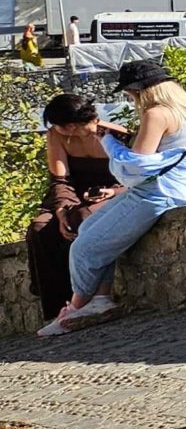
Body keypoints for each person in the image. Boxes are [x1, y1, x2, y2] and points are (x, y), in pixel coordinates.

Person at [41, 60, 186, 336]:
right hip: (174, 189)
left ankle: (75, 308)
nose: (129, 99)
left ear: (140, 91)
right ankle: (100, 299)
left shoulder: (157, 113)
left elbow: (135, 166)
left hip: (158, 193)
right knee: (87, 228)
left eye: (130, 94)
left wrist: (107, 141)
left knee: (83, 248)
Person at [26, 95, 124, 325]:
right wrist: (61, 208)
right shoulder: (56, 136)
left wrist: (113, 192)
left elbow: (133, 173)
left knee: (81, 220)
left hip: (112, 192)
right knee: (40, 227)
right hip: (71, 195)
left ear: (70, 126)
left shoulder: (115, 135)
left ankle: (84, 298)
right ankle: (55, 306)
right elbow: (60, 179)